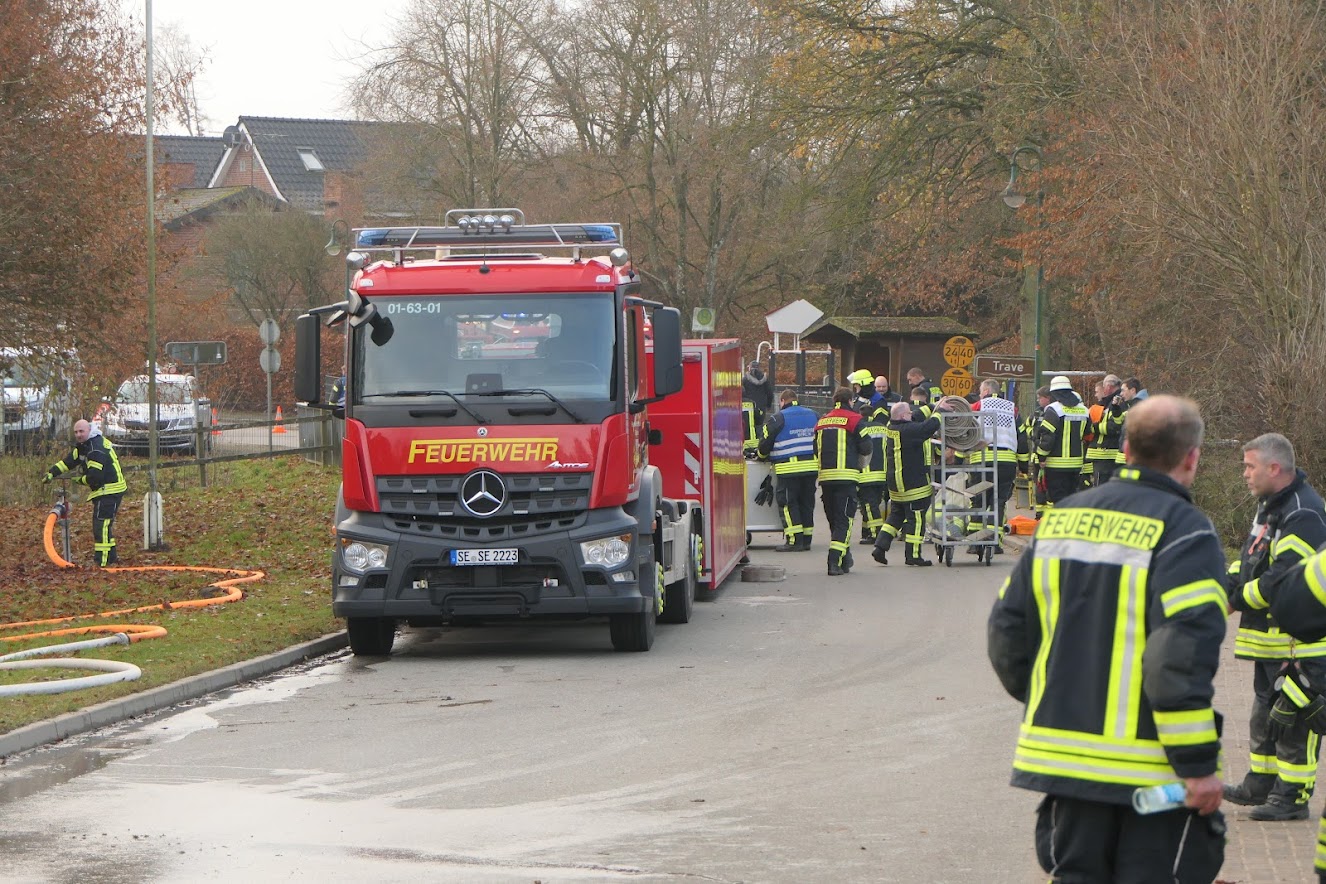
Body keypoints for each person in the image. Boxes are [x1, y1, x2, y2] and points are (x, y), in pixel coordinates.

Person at [988, 395, 1227, 882]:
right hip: (1148, 768)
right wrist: (1198, 765)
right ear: (1192, 456)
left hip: (1064, 760)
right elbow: (1177, 659)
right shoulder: (1186, 533)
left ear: (1124, 448)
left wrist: (1047, 698)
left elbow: (1006, 631)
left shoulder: (1061, 519)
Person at [1222, 433, 1326, 821]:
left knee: (1294, 720)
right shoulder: (1270, 506)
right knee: (1264, 714)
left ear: (1274, 468)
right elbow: (1250, 562)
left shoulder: (1303, 512)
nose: (1245, 474)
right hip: (1272, 640)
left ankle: (1292, 797)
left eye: (1250, 467)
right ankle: (1261, 784)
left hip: (1299, 643)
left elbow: (1280, 579)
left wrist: (1234, 601)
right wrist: (1226, 585)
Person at [43, 419, 128, 567]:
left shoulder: (95, 448)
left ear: (89, 430)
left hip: (109, 490)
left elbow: (95, 477)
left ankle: (101, 563)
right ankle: (111, 558)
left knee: (100, 526)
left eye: (81, 431)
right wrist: (52, 473)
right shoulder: (85, 446)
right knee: (104, 525)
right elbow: (68, 461)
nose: (78, 435)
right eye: (76, 432)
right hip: (105, 490)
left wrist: (79, 480)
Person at [873, 400, 943, 566]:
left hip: (896, 486)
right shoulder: (909, 431)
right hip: (913, 486)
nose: (913, 414)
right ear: (904, 416)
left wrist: (935, 405)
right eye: (909, 413)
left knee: (896, 516)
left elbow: (916, 416)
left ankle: (880, 547)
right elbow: (927, 427)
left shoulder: (892, 426)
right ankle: (913, 555)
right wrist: (941, 412)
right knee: (916, 519)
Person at [814, 387, 870, 576]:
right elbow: (867, 447)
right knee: (843, 521)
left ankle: (845, 558)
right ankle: (833, 561)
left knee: (834, 521)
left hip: (826, 479)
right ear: (851, 401)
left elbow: (816, 449)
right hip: (846, 478)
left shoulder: (821, 421)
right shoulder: (855, 420)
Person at [757, 389, 819, 552]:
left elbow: (765, 444)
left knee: (788, 503)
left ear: (783, 401)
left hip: (788, 469)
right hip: (811, 467)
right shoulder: (814, 415)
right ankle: (806, 540)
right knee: (807, 503)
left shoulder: (778, 418)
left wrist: (761, 456)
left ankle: (794, 540)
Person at [966, 379, 1018, 554]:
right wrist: (1024, 464)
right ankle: (995, 542)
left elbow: (965, 428)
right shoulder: (1012, 408)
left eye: (981, 391)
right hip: (1007, 461)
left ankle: (975, 543)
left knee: (979, 500)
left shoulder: (978, 405)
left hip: (983, 458)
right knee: (999, 501)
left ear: (986, 391)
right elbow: (1022, 435)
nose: (980, 394)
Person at [1035, 375, 1090, 511]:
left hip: (1056, 465)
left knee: (1057, 500)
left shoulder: (1053, 410)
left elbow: (1047, 438)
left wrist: (1041, 457)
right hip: (1077, 464)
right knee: (1072, 500)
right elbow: (1087, 434)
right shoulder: (1084, 410)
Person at [1086, 374, 1126, 487]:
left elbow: (1115, 427)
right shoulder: (1108, 403)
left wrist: (1093, 427)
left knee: (1101, 487)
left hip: (1106, 454)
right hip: (1105, 454)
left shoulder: (1117, 403)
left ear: (1108, 387)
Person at [857, 401, 888, 544]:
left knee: (869, 505)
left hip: (865, 474)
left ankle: (876, 534)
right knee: (873, 503)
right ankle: (866, 531)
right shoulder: (883, 428)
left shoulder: (860, 428)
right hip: (882, 474)